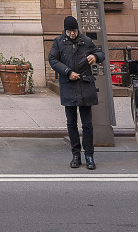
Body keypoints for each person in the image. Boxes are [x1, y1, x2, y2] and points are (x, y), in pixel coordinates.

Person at [49, 14, 105, 170]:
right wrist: (67, 72)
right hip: (68, 86)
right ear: (65, 31)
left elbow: (101, 54)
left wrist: (95, 56)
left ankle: (89, 155)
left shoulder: (86, 41)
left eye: (74, 31)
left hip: (85, 86)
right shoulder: (58, 42)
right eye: (69, 31)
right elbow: (53, 60)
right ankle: (76, 155)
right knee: (71, 123)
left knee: (87, 124)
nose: (72, 34)